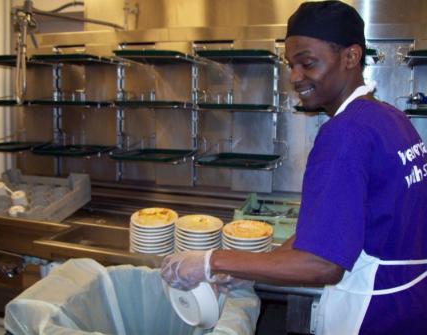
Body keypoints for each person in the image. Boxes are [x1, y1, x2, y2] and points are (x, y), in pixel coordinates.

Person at [161, 1, 427, 334]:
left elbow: (323, 264)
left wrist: (209, 262)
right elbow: (328, 231)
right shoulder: (390, 118)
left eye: (308, 63)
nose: (295, 78)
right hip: (411, 303)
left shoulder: (345, 133)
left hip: (374, 313)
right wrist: (249, 266)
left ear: (351, 56)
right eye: (291, 65)